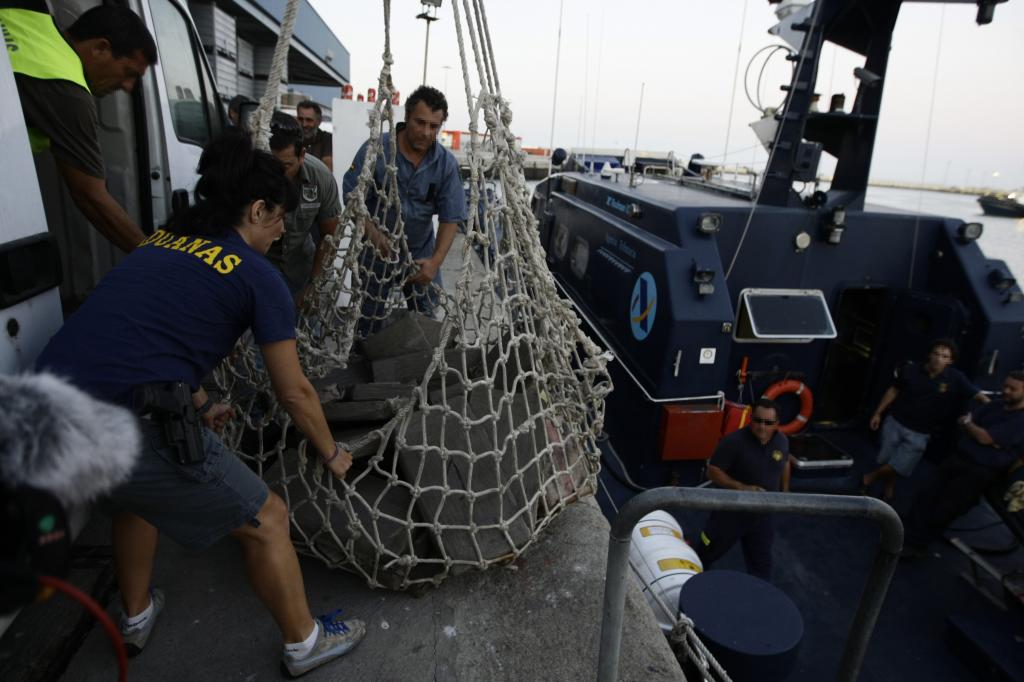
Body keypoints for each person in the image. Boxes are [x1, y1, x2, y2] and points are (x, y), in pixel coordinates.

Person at [35, 133, 366, 678]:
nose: (283, 229)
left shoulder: (165, 243)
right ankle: (305, 642)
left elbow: (148, 336)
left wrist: (202, 399)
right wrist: (331, 452)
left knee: (133, 497)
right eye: (278, 218)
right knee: (267, 518)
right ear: (257, 209)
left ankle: (136, 616)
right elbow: (295, 391)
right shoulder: (261, 277)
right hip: (114, 424)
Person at [0, 3, 155, 256]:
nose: (128, 87)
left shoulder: (31, 19)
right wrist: (156, 256)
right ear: (100, 48)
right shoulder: (69, 92)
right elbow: (92, 198)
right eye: (129, 73)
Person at [342, 85, 466, 327]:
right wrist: (373, 234)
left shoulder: (446, 165)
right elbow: (352, 196)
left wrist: (435, 262)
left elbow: (451, 218)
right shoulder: (375, 150)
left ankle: (420, 363)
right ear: (406, 118)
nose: (426, 132)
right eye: (420, 123)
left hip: (421, 254)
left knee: (427, 321)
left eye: (434, 126)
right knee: (366, 322)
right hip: (375, 255)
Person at [902, 371, 1024, 558]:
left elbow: (983, 437)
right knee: (926, 495)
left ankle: (917, 546)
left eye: (1012, 389)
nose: (1005, 391)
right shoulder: (995, 406)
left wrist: (978, 431)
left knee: (945, 509)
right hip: (958, 458)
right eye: (1005, 386)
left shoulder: (1020, 421)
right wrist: (980, 433)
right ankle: (903, 534)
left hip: (979, 472)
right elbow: (964, 420)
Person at [861, 339, 988, 501]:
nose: (938, 358)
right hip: (895, 422)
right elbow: (893, 391)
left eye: (944, 356)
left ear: (950, 360)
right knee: (887, 460)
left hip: (920, 432)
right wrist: (877, 413)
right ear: (929, 354)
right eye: (936, 353)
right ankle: (888, 490)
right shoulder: (911, 370)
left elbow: (977, 395)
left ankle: (869, 478)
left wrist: (996, 408)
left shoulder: (956, 378)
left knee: (901, 465)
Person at [695, 398, 792, 581]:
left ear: (777, 424)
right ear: (751, 419)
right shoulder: (733, 442)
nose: (762, 427)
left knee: (762, 567)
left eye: (768, 423)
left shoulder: (782, 442)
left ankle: (758, 601)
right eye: (758, 420)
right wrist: (741, 488)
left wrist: (785, 492)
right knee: (706, 551)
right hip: (731, 513)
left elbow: (785, 462)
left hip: (763, 515)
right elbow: (713, 471)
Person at [266, 112, 341, 308]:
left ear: (302, 156)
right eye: (271, 165)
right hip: (258, 265)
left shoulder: (320, 177)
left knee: (310, 324)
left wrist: (314, 284)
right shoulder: (248, 172)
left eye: (286, 166)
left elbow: (330, 237)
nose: (277, 174)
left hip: (300, 266)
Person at [295, 99, 333, 170]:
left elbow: (326, 169)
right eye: (300, 119)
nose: (304, 124)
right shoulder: (291, 137)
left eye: (309, 120)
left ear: (319, 121)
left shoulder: (326, 139)